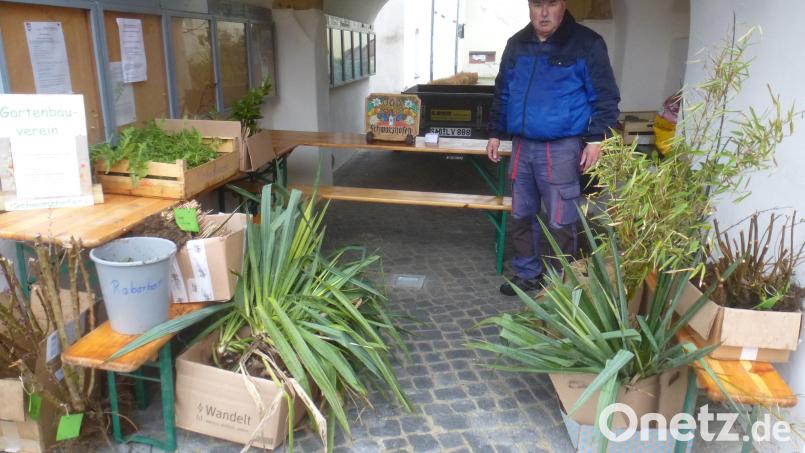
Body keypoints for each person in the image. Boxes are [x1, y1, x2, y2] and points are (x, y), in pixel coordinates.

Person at [487, 0, 620, 296]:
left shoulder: (586, 43)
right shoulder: (516, 44)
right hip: (522, 144)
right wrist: (495, 132)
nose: (543, 13)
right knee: (521, 214)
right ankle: (527, 273)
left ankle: (566, 281)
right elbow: (503, 91)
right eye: (537, 4)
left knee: (561, 218)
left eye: (552, 4)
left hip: (561, 147)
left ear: (564, 6)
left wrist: (596, 139)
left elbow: (606, 97)